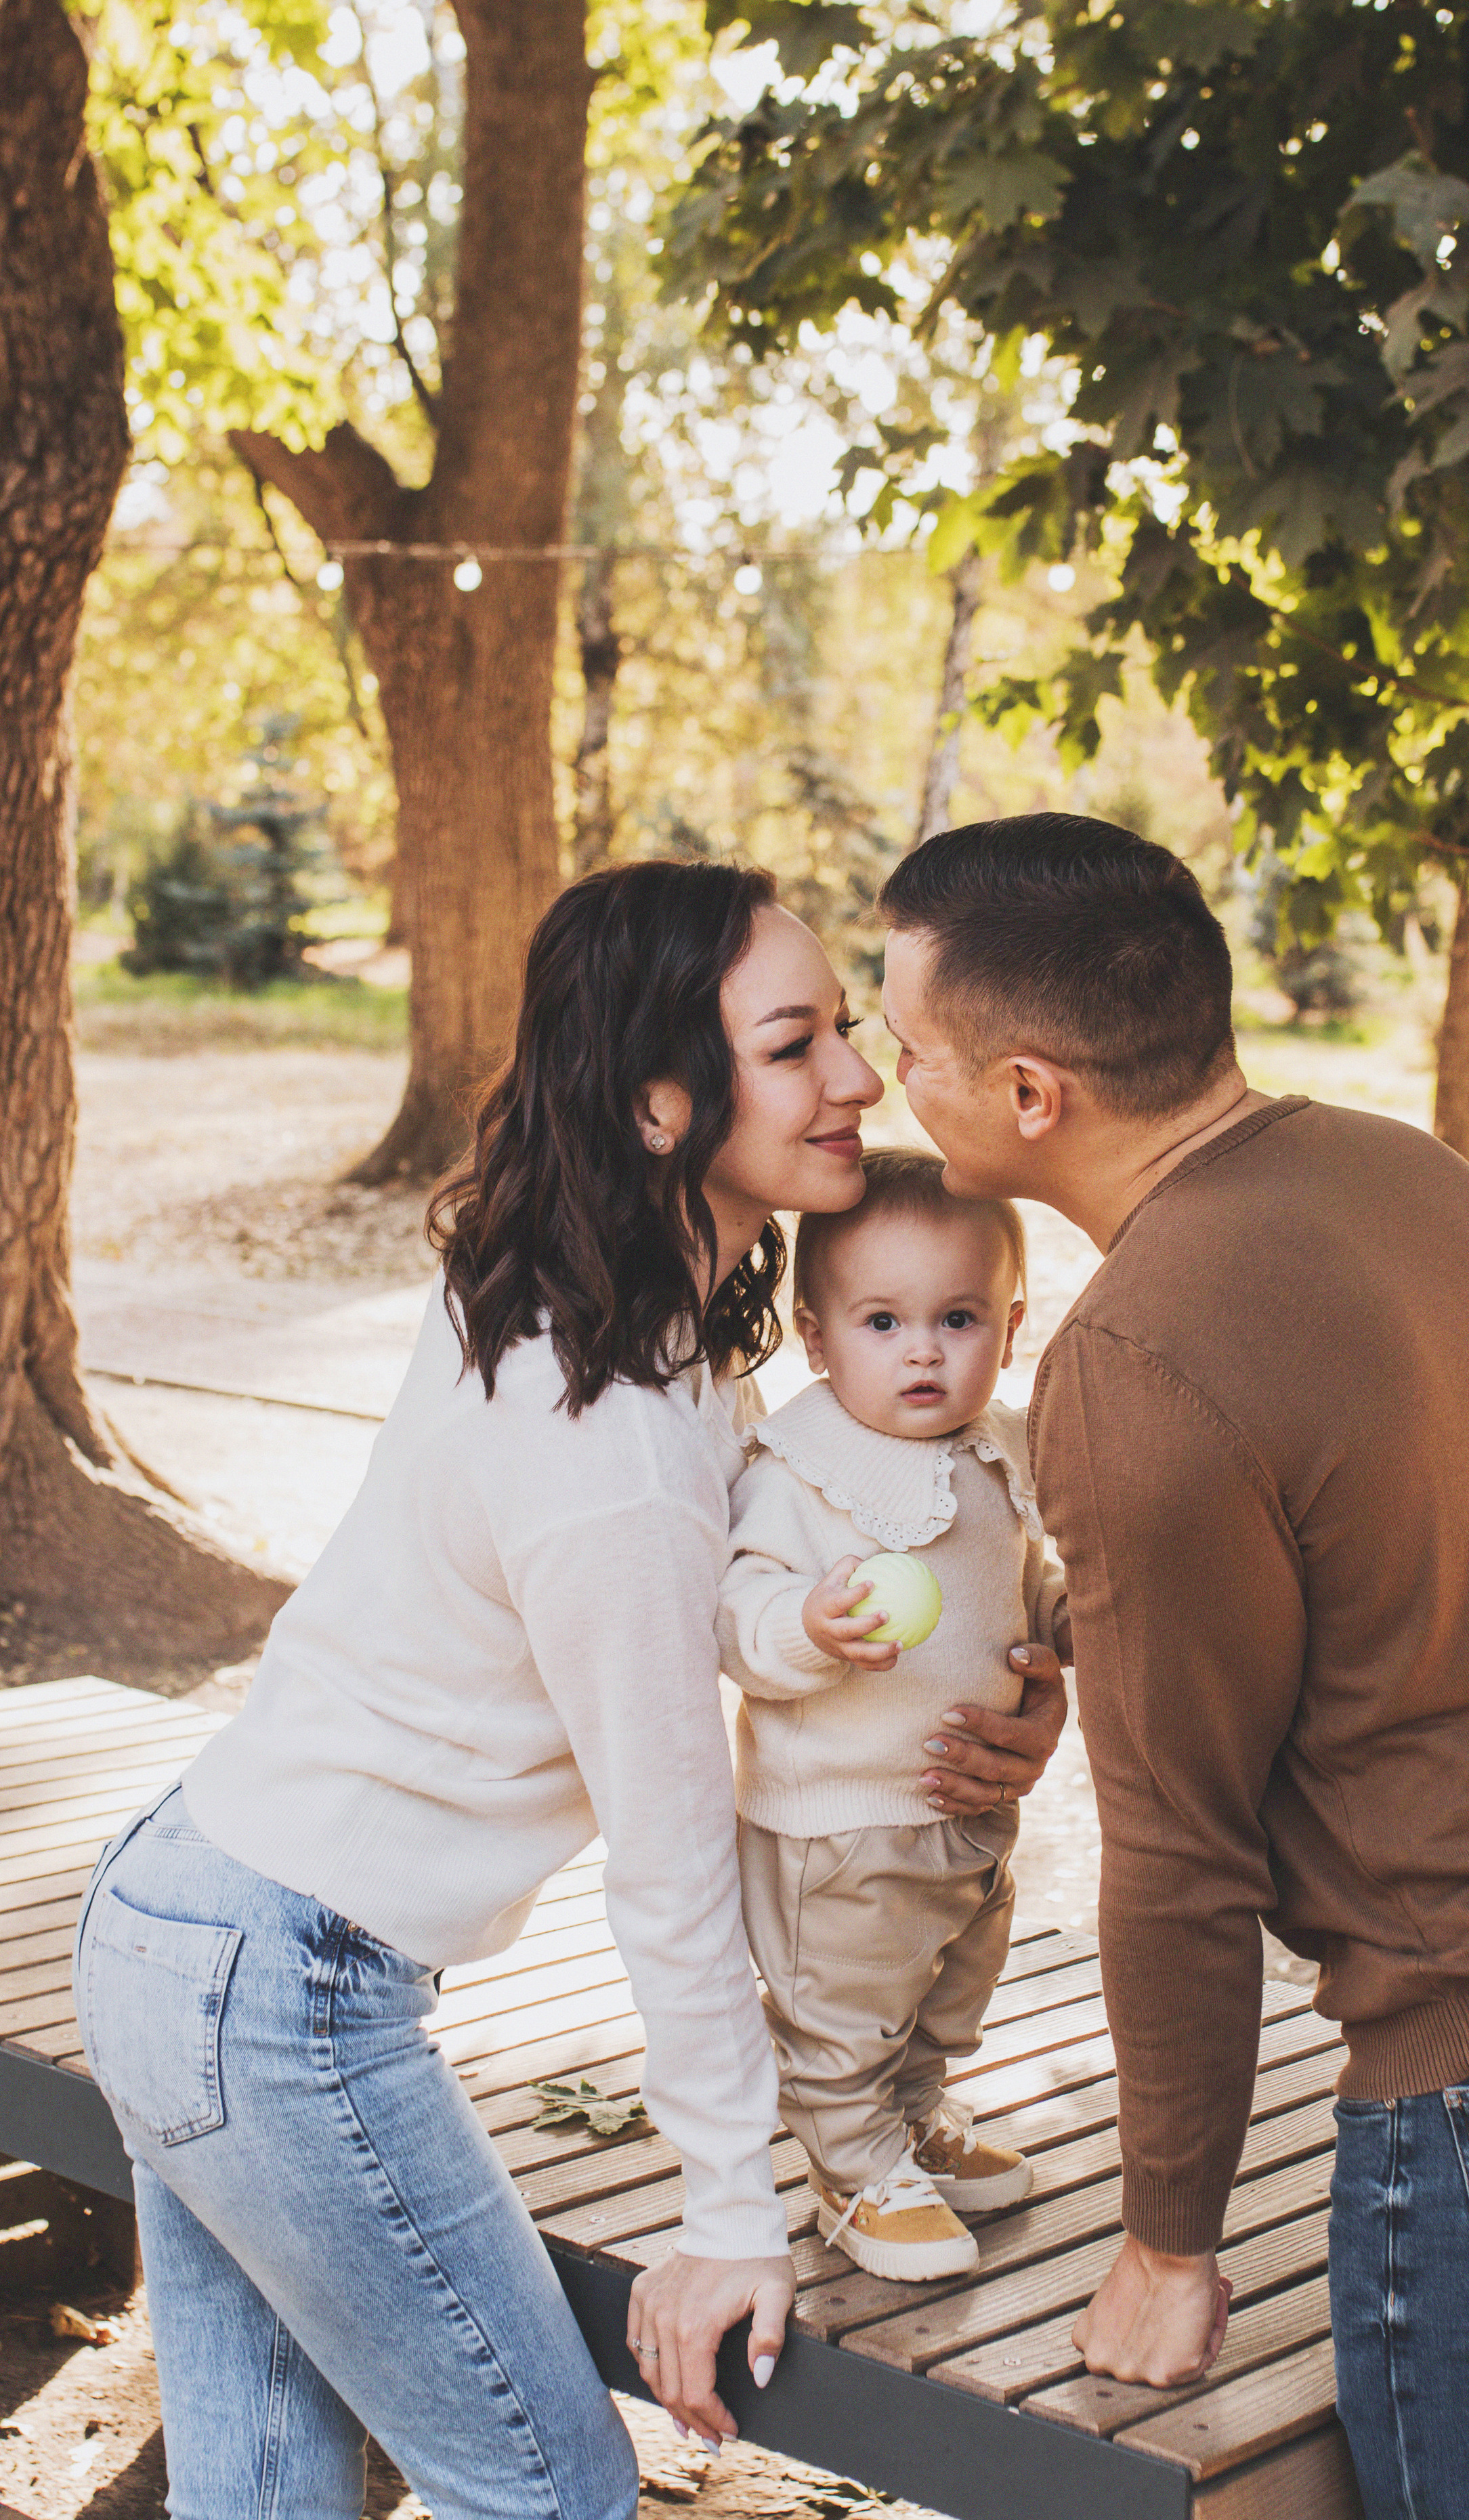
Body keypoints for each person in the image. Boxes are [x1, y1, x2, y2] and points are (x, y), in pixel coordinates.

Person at [72, 861, 1068, 2516]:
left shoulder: (591, 1314)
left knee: (265, 2497)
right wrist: (732, 2211)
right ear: (663, 1101)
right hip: (280, 1987)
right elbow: (671, 1854)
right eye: (797, 1042)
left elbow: (781, 1591)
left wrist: (1002, 1686)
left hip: (192, 1927)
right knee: (544, 2484)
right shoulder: (611, 1442)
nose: (859, 1081)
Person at [876, 811, 1469, 2520]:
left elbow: (1180, 1859)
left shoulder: (1134, 1350)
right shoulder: (1398, 1165)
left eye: (906, 1047)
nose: (885, 1076)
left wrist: (1165, 2238)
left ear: (1030, 1092)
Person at [718, 1149, 1067, 2281]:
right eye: (881, 1322)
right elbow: (735, 1614)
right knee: (848, 2002)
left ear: (1009, 1330)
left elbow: (1028, 1572)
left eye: (957, 1318)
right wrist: (808, 1625)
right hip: (839, 1819)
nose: (922, 1348)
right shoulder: (801, 1467)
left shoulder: (1000, 1446)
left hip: (960, 1807)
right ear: (817, 1338)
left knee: (949, 1978)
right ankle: (850, 2159)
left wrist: (1072, 1620)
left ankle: (911, 2117)